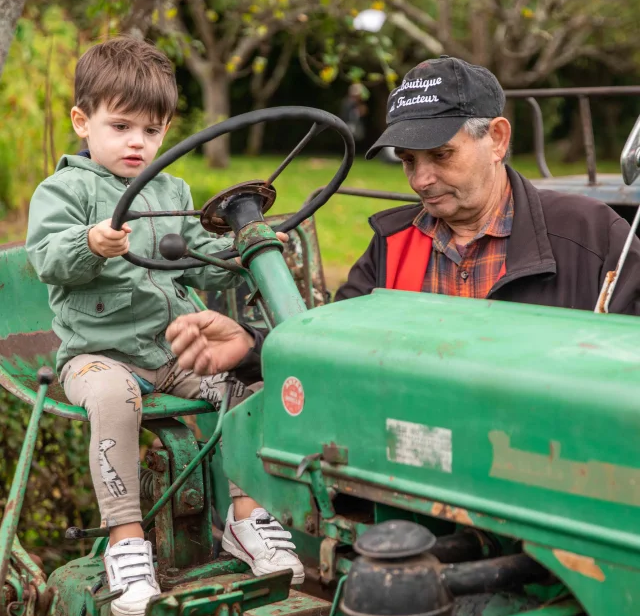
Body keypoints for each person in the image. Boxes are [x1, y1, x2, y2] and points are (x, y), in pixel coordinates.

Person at [27, 38, 303, 616]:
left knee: (245, 378)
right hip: (96, 354)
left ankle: (246, 517)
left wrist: (243, 249)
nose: (137, 143)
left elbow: (197, 253)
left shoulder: (171, 191)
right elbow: (48, 258)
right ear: (83, 121)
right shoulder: (65, 191)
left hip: (169, 350)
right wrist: (89, 243)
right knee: (111, 393)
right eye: (120, 125)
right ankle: (128, 543)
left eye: (151, 131)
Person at [163, 54, 640, 378]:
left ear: (496, 138)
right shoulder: (393, 244)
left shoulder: (594, 237)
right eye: (409, 160)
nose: (420, 180)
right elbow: (336, 350)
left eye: (441, 155)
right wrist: (250, 346)